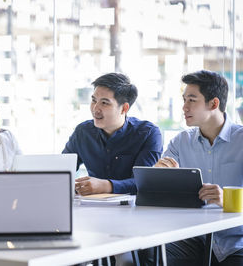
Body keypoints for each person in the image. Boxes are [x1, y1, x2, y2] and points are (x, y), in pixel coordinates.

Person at [139, 70, 243, 265]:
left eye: (192, 100)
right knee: (148, 254)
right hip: (195, 238)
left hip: (236, 242)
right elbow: (155, 189)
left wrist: (227, 200)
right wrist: (159, 175)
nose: (184, 107)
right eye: (184, 99)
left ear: (213, 103)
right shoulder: (181, 142)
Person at [63, 73, 163, 195]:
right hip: (90, 207)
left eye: (104, 103)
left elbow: (144, 182)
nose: (95, 108)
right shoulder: (83, 132)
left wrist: (107, 186)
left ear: (124, 108)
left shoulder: (148, 134)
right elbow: (62, 171)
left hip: (133, 209)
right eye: (94, 100)